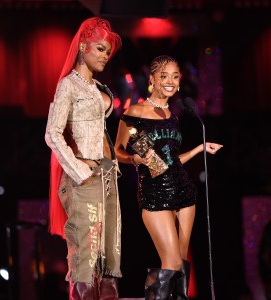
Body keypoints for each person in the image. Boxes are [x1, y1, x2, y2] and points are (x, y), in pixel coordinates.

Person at [114, 55, 223, 300]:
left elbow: (170, 163)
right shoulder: (134, 113)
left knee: (181, 262)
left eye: (175, 76)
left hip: (183, 190)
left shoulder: (173, 116)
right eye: (164, 76)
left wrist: (199, 149)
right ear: (152, 79)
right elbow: (117, 150)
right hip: (154, 194)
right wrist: (134, 159)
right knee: (171, 261)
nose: (170, 81)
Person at [45, 17, 122, 300]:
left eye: (107, 52)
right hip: (83, 176)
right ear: (82, 46)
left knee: (110, 253)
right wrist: (79, 168)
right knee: (86, 260)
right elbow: (52, 133)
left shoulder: (99, 87)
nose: (105, 56)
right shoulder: (69, 86)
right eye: (100, 49)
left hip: (107, 174)